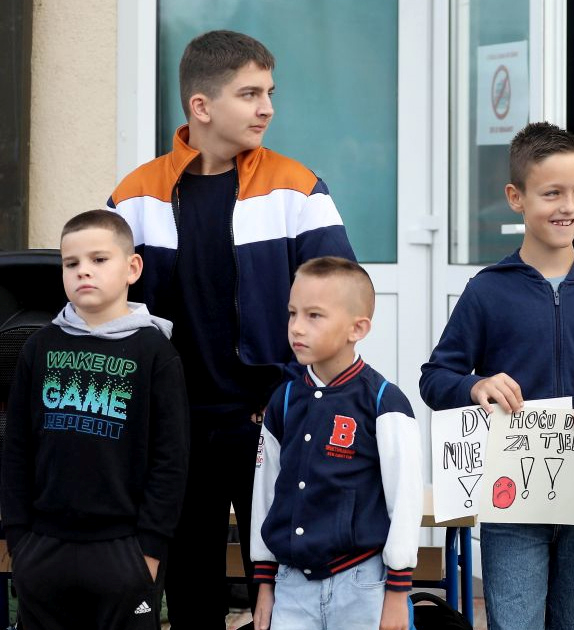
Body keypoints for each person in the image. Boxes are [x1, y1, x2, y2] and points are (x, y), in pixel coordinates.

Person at [107, 30, 356, 628]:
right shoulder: (135, 196)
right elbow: (111, 314)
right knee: (191, 583)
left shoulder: (298, 189)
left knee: (283, 584)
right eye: (250, 94)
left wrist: (293, 390)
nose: (267, 108)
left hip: (271, 418)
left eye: (269, 93)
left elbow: (342, 301)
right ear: (201, 105)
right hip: (175, 423)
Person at [419, 121, 574, 629]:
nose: (569, 206)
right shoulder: (487, 291)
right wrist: (475, 386)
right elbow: (435, 378)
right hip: (512, 501)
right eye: (552, 193)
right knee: (515, 622)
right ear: (515, 198)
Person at [1, 210, 189, 629]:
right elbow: (16, 448)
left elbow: (171, 460)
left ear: (132, 268)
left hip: (124, 550)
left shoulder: (155, 353)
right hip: (43, 547)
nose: (83, 271)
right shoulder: (38, 347)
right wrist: (18, 537)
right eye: (71, 263)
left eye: (99, 260)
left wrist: (149, 550)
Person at [250, 257, 421, 630]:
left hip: (363, 584)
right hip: (292, 585)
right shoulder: (282, 400)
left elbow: (406, 501)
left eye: (314, 316)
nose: (297, 327)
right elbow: (265, 493)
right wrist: (265, 581)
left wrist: (397, 593)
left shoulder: (384, 401)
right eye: (292, 313)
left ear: (357, 328)